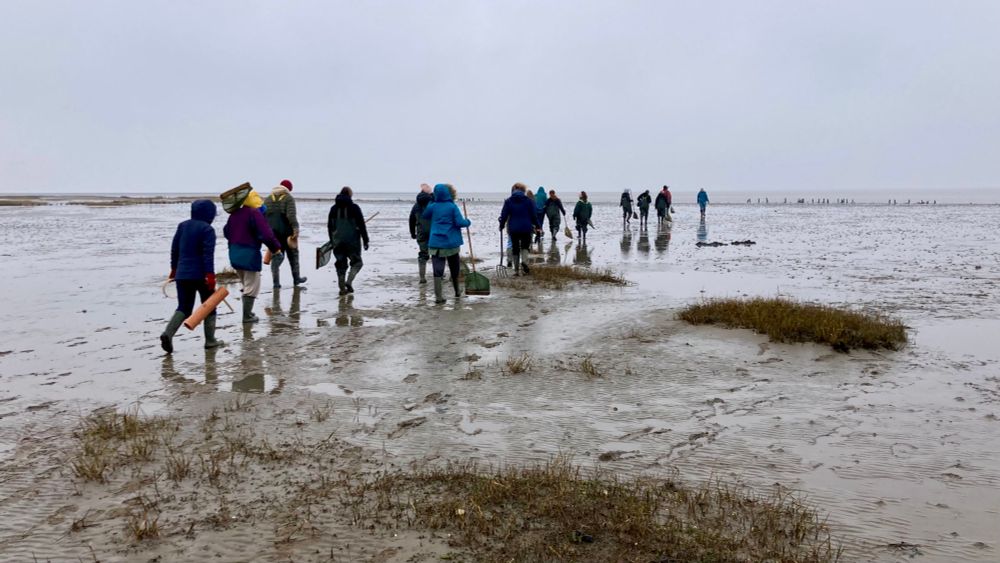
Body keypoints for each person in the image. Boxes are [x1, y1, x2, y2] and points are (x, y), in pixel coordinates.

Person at [161, 199, 224, 353]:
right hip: (201, 275)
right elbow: (207, 255)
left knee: (184, 307)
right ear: (209, 214)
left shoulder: (182, 226)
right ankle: (210, 341)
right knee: (209, 306)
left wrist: (174, 269)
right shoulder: (207, 229)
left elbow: (174, 250)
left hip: (182, 274)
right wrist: (210, 275)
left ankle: (168, 333)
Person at [224, 190, 282, 324]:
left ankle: (248, 313)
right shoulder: (254, 213)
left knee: (246, 284)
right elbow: (266, 235)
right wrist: (276, 248)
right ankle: (247, 316)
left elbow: (227, 232)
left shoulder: (234, 214)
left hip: (234, 253)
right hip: (249, 254)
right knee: (252, 286)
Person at [422, 183, 471, 303]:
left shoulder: (433, 206)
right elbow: (460, 222)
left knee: (437, 270)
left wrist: (431, 201)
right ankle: (457, 291)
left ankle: (438, 297)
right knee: (454, 267)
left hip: (435, 243)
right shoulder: (452, 207)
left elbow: (425, 215)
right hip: (450, 242)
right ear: (448, 193)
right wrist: (467, 222)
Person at [264, 179, 306, 289]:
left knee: (276, 258)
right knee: (293, 256)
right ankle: (296, 279)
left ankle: (276, 283)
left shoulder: (268, 199)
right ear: (288, 189)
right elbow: (291, 216)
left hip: (273, 235)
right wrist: (296, 229)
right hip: (287, 234)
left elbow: (264, 217)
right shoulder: (288, 198)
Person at [327, 187, 370, 295]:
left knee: (340, 265)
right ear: (350, 195)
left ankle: (342, 288)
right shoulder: (354, 208)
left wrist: (332, 240)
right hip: (353, 242)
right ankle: (349, 281)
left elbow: (329, 227)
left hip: (337, 241)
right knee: (357, 263)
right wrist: (366, 240)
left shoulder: (333, 208)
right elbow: (361, 225)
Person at [499, 183, 540, 276]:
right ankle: (524, 262)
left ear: (513, 190)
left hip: (513, 228)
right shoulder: (529, 201)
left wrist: (501, 225)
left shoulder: (508, 201)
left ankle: (516, 270)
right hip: (526, 227)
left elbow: (504, 215)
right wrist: (538, 226)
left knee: (515, 248)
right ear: (523, 190)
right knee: (525, 246)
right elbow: (534, 216)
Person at [408, 183, 434, 284]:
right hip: (434, 231)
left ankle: (422, 277)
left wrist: (412, 233)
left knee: (423, 255)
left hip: (421, 232)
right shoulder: (433, 202)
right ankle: (439, 275)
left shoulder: (416, 205)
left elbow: (411, 220)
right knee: (437, 254)